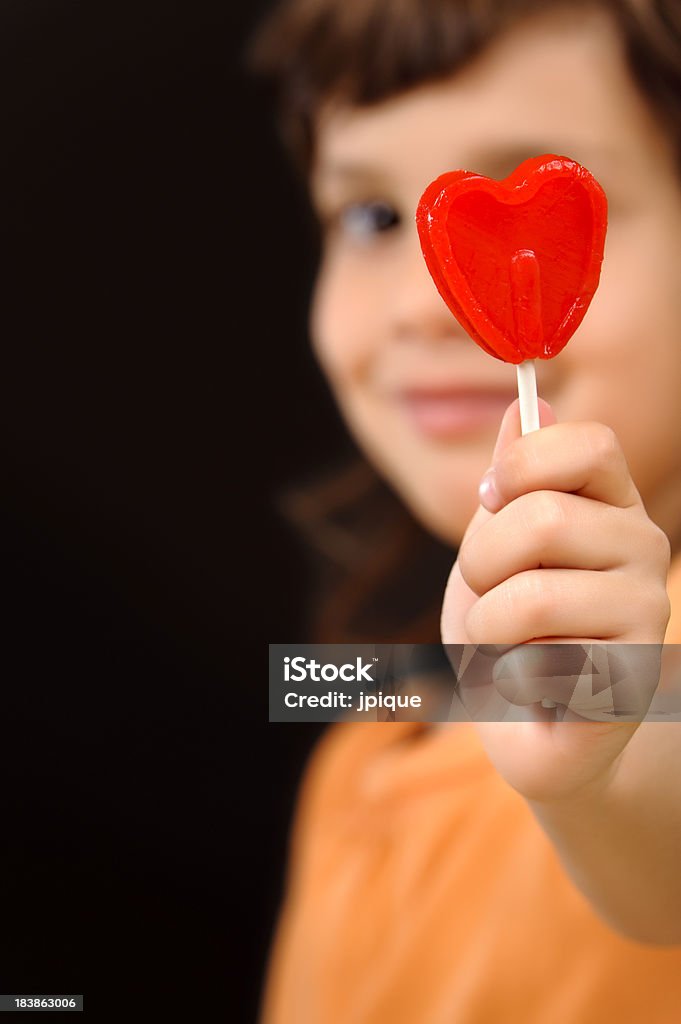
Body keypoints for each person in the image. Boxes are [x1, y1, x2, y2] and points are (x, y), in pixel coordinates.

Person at [252, 0, 681, 1019]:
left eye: (550, 202)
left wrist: (592, 770)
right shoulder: (361, 765)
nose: (426, 299)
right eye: (368, 218)